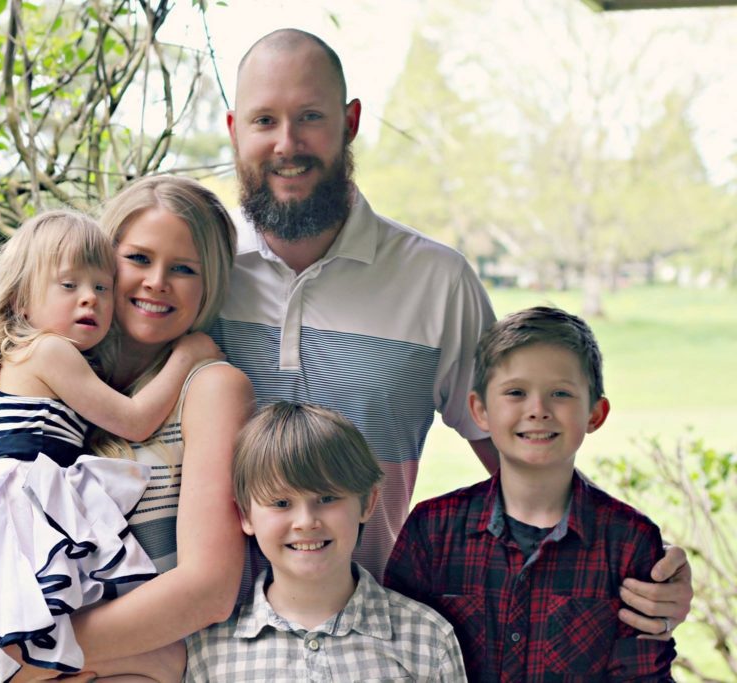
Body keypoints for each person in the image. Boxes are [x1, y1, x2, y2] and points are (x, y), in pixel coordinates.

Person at [211, 26, 692, 636]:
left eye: (310, 116)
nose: (287, 143)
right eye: (264, 121)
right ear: (233, 129)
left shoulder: (435, 280)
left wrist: (640, 565)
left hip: (371, 637)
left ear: (351, 122)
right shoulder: (196, 274)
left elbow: (524, 453)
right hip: (204, 632)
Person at [0, 209, 224, 681]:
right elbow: (135, 422)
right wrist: (189, 355)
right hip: (17, 504)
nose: (89, 300)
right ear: (22, 298)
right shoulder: (50, 351)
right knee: (158, 659)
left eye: (100, 287)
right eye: (69, 286)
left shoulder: (21, 353)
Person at [385, 306, 676, 680]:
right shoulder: (432, 530)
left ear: (595, 414)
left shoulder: (629, 542)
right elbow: (395, 659)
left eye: (560, 393)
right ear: (480, 410)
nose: (538, 410)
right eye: (516, 392)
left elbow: (642, 675)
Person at [41, 175, 254, 681]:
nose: (157, 281)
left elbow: (208, 591)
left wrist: (28, 657)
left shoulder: (210, 388)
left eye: (183, 269)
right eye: (138, 259)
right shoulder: (47, 363)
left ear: (211, 285)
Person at [185, 401, 467, 681]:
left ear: (367, 502)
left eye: (327, 498)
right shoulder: (209, 651)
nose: (306, 521)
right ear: (246, 515)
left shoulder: (427, 639)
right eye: (281, 503)